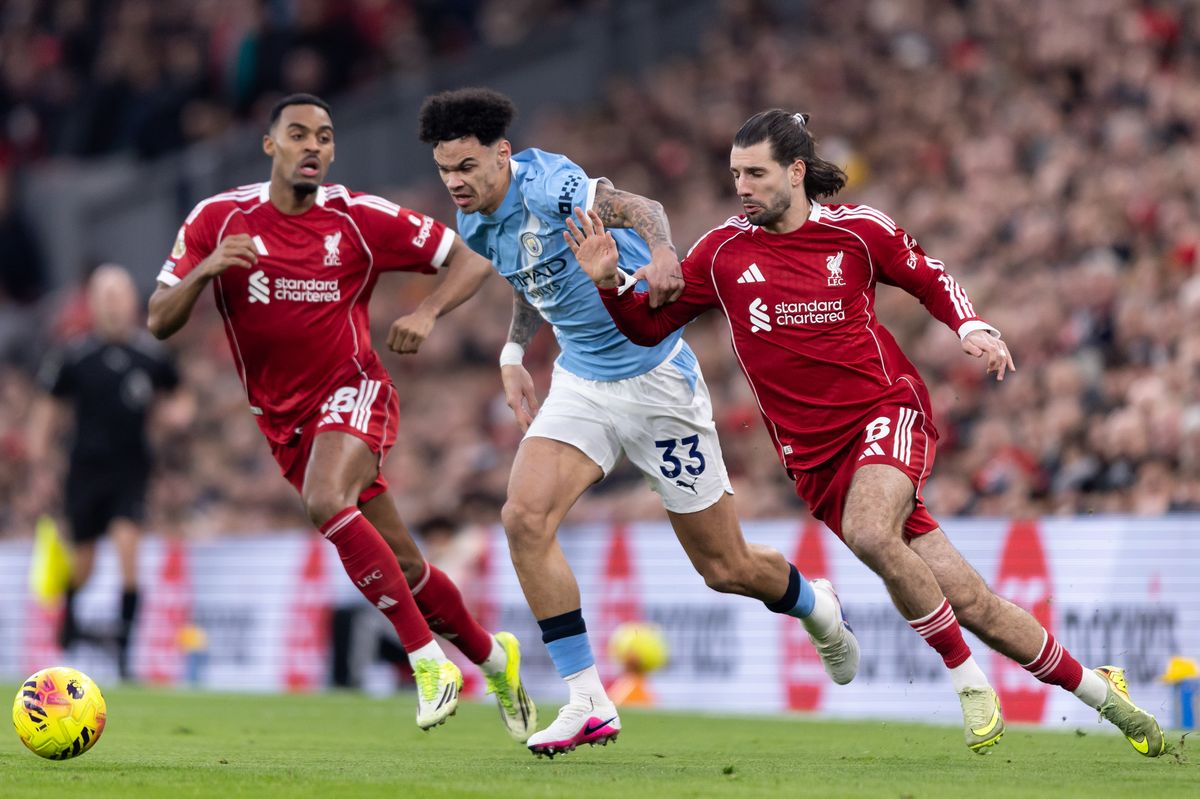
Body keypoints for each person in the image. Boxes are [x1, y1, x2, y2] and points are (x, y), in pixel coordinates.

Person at [566, 109, 1167, 758]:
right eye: (735, 173)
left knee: (871, 531)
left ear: (795, 173)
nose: (741, 185)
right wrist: (607, 283)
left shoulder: (856, 232)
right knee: (971, 599)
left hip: (887, 412)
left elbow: (927, 275)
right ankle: (1105, 693)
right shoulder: (720, 253)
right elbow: (649, 328)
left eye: (756, 173)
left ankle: (966, 680)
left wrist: (970, 327)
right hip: (817, 463)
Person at [412, 88, 859, 758]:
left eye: (469, 167)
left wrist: (663, 253)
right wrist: (512, 352)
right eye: (447, 170)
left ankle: (815, 606)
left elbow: (641, 208)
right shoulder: (476, 220)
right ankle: (588, 699)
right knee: (523, 518)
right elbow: (534, 280)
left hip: (656, 379)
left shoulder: (551, 183)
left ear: (503, 155)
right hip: (583, 382)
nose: (457, 182)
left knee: (725, 566)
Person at [145, 93, 535, 738]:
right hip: (284, 422)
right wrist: (206, 269)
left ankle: (426, 662)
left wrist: (428, 311)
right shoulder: (219, 218)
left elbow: (471, 254)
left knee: (327, 500)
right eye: (298, 134)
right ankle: (494, 658)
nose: (313, 147)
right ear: (270, 145)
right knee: (405, 570)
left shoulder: (357, 218)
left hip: (354, 390)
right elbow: (159, 319)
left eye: (324, 137)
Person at [28, 264, 182, 681]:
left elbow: (178, 398)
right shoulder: (74, 355)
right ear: (92, 304)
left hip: (132, 468)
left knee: (128, 545)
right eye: (104, 296)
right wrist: (40, 468)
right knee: (85, 562)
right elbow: (46, 414)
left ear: (133, 301)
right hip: (85, 470)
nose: (113, 304)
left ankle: (126, 653)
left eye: (120, 295)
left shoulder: (151, 355)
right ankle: (70, 612)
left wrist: (176, 417)